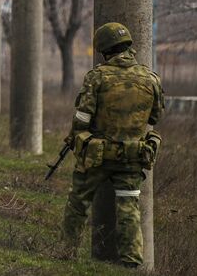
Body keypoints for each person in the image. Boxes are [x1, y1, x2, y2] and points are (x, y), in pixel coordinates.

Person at [61, 22, 165, 268]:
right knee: (129, 207)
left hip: (97, 156)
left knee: (78, 202)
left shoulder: (97, 77)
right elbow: (154, 118)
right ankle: (131, 261)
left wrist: (76, 140)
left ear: (104, 49)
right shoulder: (150, 79)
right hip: (132, 156)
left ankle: (66, 253)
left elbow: (82, 119)